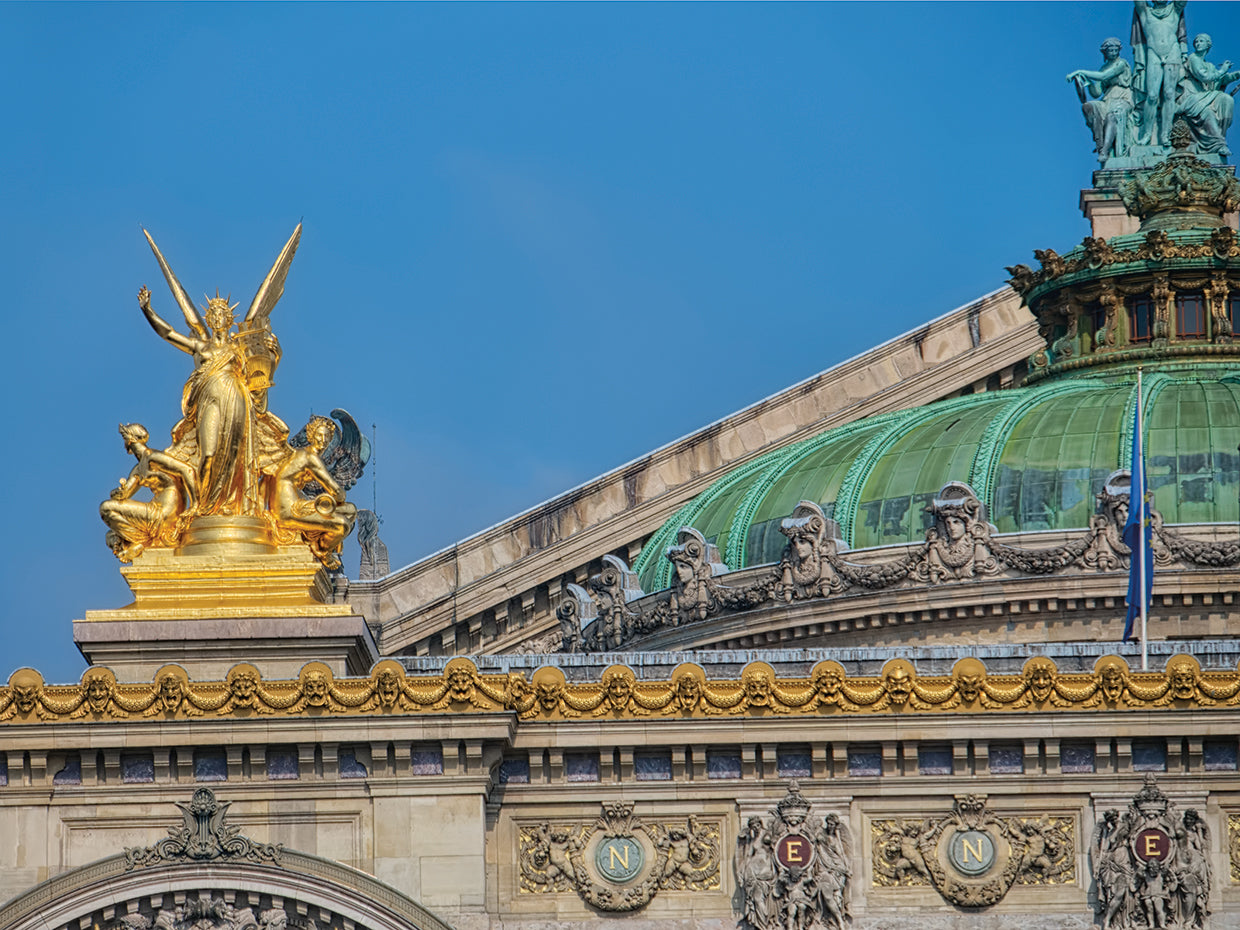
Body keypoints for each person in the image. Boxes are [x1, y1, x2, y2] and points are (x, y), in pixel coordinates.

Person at [139, 284, 252, 515]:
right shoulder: (201, 346)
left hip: (235, 398)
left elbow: (261, 374)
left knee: (234, 455)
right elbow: (168, 333)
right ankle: (203, 505)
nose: (218, 318)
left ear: (229, 319)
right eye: (213, 314)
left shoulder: (239, 348)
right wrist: (148, 310)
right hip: (208, 400)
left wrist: (275, 353)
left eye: (222, 314)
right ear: (209, 320)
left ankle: (231, 505)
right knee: (208, 454)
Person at [100, 423, 199, 561]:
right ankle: (142, 542)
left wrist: (195, 504)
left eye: (124, 438)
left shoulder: (153, 457)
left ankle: (140, 542)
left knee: (105, 508)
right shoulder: (138, 469)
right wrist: (117, 492)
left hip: (164, 513)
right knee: (111, 535)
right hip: (156, 512)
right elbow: (125, 494)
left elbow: (187, 470)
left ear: (129, 440)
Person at [270, 416, 358, 569]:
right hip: (289, 510)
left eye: (326, 436)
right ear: (311, 436)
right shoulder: (310, 457)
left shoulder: (301, 454)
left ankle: (315, 540)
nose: (323, 440)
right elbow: (336, 490)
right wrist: (338, 495)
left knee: (350, 511)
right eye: (319, 435)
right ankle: (322, 550)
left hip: (297, 504)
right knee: (342, 525)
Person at [1131, 0, 1188, 148]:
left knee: (1169, 94)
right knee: (1152, 95)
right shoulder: (1145, 12)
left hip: (1172, 51)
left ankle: (1166, 134)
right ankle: (1147, 134)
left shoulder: (1174, 10)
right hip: (1153, 52)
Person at [1068, 38, 1134, 164]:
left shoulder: (1121, 64)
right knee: (1088, 107)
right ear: (1105, 52)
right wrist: (1087, 82)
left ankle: (1104, 150)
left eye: (1116, 50)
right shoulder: (1104, 67)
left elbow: (1104, 77)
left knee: (1111, 116)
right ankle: (1099, 142)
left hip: (1122, 98)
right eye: (1110, 50)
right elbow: (1096, 92)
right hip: (1107, 99)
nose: (1114, 53)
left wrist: (1080, 71)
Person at [1178, 34, 1240, 157]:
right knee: (1207, 113)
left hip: (1203, 97)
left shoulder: (1209, 66)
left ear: (1208, 45)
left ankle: (1220, 136)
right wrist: (1222, 70)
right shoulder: (1193, 58)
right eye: (1196, 41)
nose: (1198, 43)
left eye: (1201, 41)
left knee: (1226, 99)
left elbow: (1219, 80)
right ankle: (1218, 144)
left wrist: (1237, 75)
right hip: (1191, 97)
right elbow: (1204, 77)